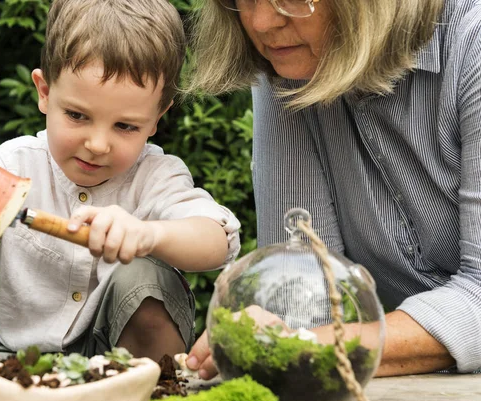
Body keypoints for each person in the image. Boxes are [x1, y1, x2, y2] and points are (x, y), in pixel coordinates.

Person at [0, 0, 241, 362]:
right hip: (20, 356)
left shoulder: (155, 176)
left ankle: (155, 397)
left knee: (143, 276)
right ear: (44, 92)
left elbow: (217, 241)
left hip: (120, 357)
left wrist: (149, 234)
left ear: (156, 118)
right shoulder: (14, 165)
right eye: (77, 115)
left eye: (125, 126)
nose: (97, 144)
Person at [184, 0, 481, 378]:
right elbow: (303, 281)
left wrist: (307, 344)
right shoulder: (288, 65)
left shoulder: (472, 41)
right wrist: (269, 329)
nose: (260, 22)